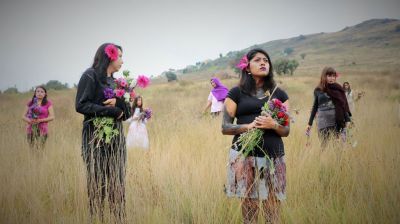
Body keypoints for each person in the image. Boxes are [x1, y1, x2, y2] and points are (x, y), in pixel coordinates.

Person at [222, 48, 290, 223]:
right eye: (258, 60)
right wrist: (249, 126)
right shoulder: (236, 92)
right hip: (245, 156)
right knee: (250, 208)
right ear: (247, 67)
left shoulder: (279, 94)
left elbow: (286, 130)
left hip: (273, 157)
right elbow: (225, 127)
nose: (263, 63)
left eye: (266, 60)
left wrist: (273, 125)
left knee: (272, 207)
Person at [75, 43, 131, 222]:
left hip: (116, 139)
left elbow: (126, 113)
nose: (122, 60)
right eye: (120, 56)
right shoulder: (90, 76)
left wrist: (120, 104)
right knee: (97, 183)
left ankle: (118, 219)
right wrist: (110, 110)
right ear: (110, 56)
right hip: (95, 139)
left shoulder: (118, 83)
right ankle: (97, 219)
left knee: (117, 182)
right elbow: (81, 105)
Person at [306, 67, 351, 147]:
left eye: (334, 76)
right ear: (324, 76)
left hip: (336, 122)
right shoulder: (318, 90)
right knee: (324, 146)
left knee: (337, 147)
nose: (332, 78)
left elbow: (342, 105)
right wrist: (310, 123)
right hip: (322, 122)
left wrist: (347, 119)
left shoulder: (338, 89)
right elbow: (315, 107)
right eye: (329, 76)